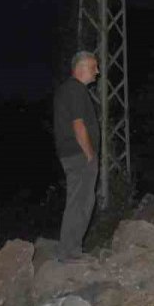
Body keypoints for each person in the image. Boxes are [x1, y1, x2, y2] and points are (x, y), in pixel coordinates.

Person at [52, 51, 100, 263]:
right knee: (79, 202)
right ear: (81, 68)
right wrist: (89, 154)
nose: (97, 71)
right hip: (79, 155)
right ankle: (68, 252)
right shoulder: (75, 90)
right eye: (94, 67)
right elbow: (78, 125)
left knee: (83, 201)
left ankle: (73, 250)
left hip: (73, 154)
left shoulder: (69, 90)